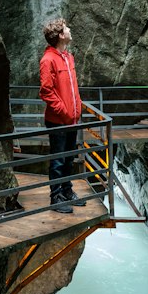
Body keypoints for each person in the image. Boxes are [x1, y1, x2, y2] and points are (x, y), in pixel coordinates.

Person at [39, 17, 86, 213]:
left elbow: (72, 89)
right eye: (66, 28)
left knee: (68, 158)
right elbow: (46, 91)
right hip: (58, 120)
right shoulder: (48, 60)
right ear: (60, 35)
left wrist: (76, 110)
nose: (70, 29)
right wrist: (64, 111)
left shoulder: (68, 57)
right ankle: (55, 197)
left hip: (72, 120)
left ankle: (67, 191)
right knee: (58, 160)